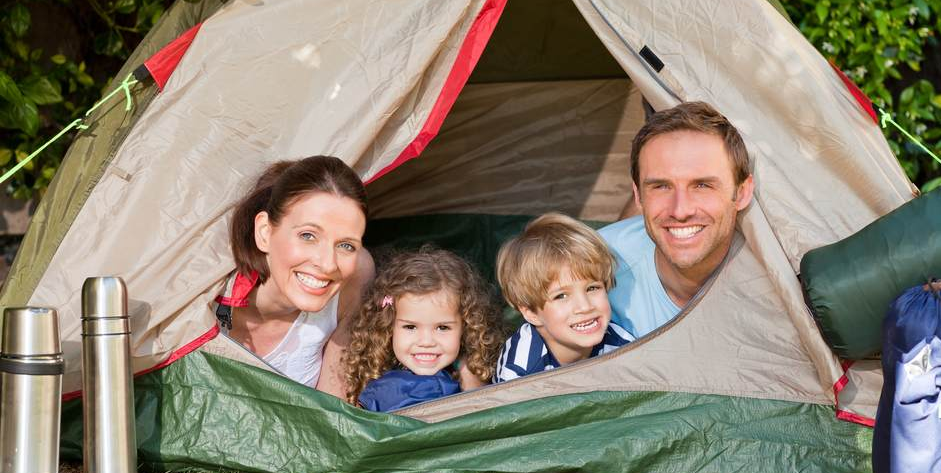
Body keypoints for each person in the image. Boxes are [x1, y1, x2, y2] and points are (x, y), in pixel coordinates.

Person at [220, 155, 374, 397]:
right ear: (264, 232)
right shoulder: (205, 293)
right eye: (308, 236)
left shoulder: (357, 273)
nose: (327, 263)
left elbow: (334, 413)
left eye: (345, 245)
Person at [599, 101, 754, 338]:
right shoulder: (594, 265)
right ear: (638, 195)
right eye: (661, 186)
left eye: (702, 185)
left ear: (742, 193)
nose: (680, 211)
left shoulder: (777, 281)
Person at [343, 248, 505, 412]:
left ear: (466, 326)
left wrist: (468, 373)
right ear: (388, 326)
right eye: (410, 327)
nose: (426, 341)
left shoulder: (468, 372)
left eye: (442, 328)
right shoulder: (377, 375)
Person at [493, 213, 633, 383]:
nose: (584, 306)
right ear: (531, 313)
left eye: (592, 288)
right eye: (561, 296)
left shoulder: (623, 346)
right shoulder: (519, 371)